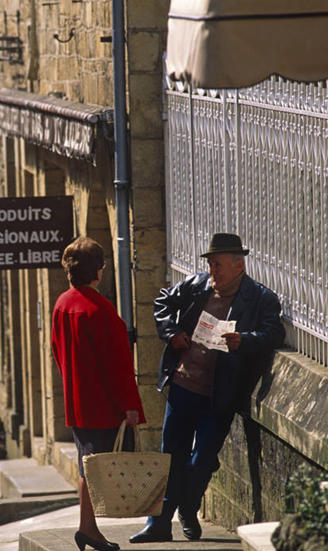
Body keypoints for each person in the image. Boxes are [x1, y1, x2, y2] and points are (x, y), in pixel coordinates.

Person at [130, 233, 285, 543]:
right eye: (211, 264)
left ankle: (188, 508)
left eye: (218, 265)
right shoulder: (197, 285)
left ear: (239, 265)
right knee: (171, 456)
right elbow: (162, 301)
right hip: (183, 385)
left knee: (202, 460)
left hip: (220, 393)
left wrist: (244, 340)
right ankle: (158, 523)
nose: (212, 271)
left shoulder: (259, 298)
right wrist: (172, 332)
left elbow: (273, 334)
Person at [51, 237, 146, 551]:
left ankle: (88, 529)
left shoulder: (62, 304)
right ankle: (88, 530)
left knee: (87, 466)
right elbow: (117, 365)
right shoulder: (100, 309)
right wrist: (130, 406)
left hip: (78, 400)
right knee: (95, 468)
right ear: (98, 270)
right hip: (103, 405)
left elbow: (56, 350)